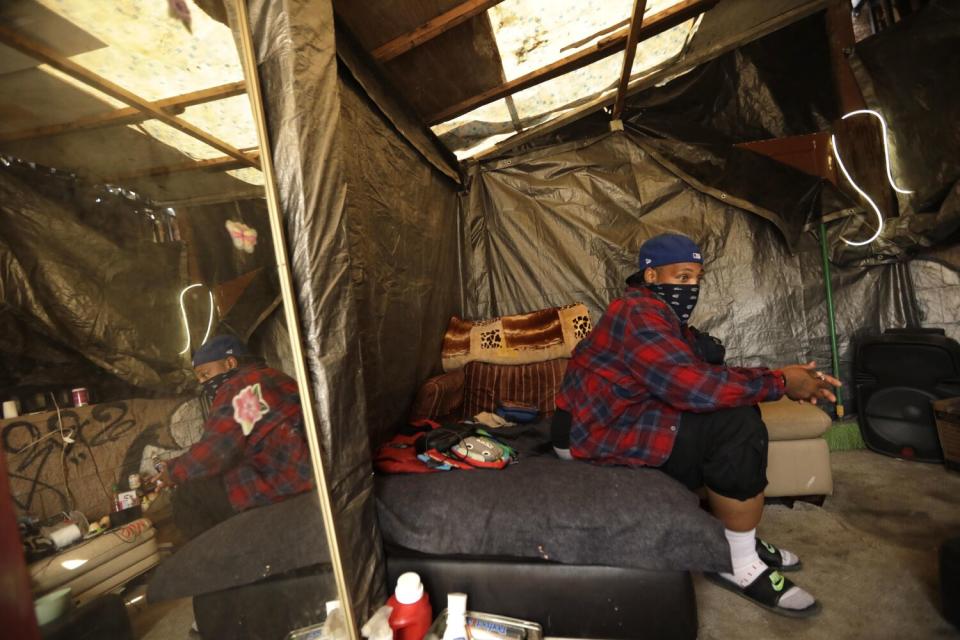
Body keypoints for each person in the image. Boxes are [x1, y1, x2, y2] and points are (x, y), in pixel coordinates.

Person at [554, 233, 840, 618]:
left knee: (736, 407)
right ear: (652, 276)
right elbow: (693, 388)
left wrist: (779, 379)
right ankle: (735, 563)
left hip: (624, 414)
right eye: (683, 277)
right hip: (591, 433)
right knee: (734, 424)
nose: (692, 288)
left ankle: (739, 541)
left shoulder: (660, 316)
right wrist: (783, 383)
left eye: (697, 279)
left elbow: (703, 374)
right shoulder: (636, 313)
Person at [151, 335, 314, 540]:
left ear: (230, 363)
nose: (203, 383)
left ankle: (222, 560)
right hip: (301, 470)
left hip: (278, 479)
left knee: (188, 495)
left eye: (205, 374)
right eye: (199, 378)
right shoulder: (275, 376)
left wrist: (172, 472)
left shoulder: (240, 385)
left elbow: (218, 449)